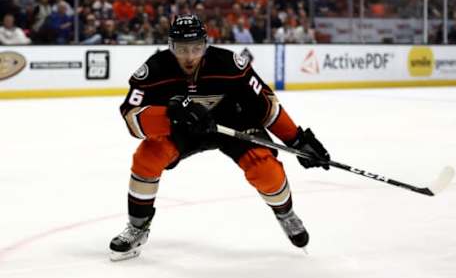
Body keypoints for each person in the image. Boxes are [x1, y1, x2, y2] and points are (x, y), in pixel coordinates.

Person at [109, 14, 331, 261]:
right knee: (147, 158)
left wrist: (297, 139)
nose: (190, 56)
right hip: (182, 128)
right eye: (182, 49)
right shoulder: (154, 70)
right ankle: (137, 227)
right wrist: (170, 113)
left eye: (196, 48)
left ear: (206, 44)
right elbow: (131, 119)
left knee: (265, 169)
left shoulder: (230, 65)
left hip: (233, 123)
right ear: (171, 46)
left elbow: (265, 107)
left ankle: (285, 213)